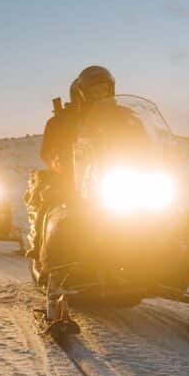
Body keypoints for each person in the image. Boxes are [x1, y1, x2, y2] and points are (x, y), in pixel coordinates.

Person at [26, 66, 116, 259]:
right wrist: (59, 160)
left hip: (118, 176)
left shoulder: (124, 117)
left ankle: (172, 262)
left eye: (104, 89)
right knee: (53, 200)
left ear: (111, 89)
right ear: (83, 93)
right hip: (74, 177)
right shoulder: (62, 121)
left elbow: (146, 141)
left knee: (167, 210)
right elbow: (49, 150)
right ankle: (42, 252)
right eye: (94, 91)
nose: (100, 95)